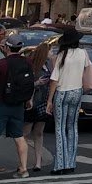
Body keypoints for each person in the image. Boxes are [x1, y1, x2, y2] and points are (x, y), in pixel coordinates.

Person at [46, 28, 92, 174]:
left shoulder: (61, 56)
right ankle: (71, 163)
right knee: (72, 127)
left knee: (60, 128)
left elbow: (54, 80)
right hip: (77, 91)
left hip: (62, 92)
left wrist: (50, 100)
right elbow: (88, 69)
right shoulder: (83, 53)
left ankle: (60, 164)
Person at [0, 34, 33, 176]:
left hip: (2, 104)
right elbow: (30, 82)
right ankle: (23, 168)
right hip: (19, 104)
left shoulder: (2, 64)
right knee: (19, 136)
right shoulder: (27, 62)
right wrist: (29, 99)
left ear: (7, 47)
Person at [25, 40, 53, 173]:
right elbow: (26, 84)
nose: (52, 53)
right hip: (33, 102)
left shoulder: (48, 66)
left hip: (43, 101)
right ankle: (24, 161)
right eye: (50, 51)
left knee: (39, 133)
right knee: (25, 132)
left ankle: (37, 162)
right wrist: (37, 83)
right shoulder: (33, 66)